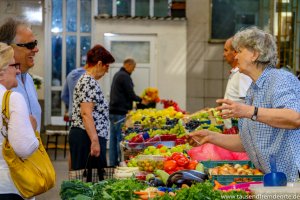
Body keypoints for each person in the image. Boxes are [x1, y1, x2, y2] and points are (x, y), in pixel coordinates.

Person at [188, 27, 300, 181]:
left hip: (294, 179)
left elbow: (295, 118)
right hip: (276, 179)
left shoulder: (279, 80)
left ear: (254, 54)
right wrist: (211, 137)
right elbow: (246, 141)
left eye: (239, 51)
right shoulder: (253, 89)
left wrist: (249, 111)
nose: (235, 55)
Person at [69, 44, 115, 181]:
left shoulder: (88, 81)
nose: (107, 72)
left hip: (87, 135)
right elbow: (86, 114)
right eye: (107, 67)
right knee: (88, 181)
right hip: (86, 137)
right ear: (99, 63)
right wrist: (95, 141)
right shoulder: (88, 81)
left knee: (89, 180)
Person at [0, 43, 39, 199]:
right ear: (1, 72)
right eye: (14, 65)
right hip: (7, 185)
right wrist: (31, 128)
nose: (18, 70)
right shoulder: (11, 99)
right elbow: (24, 148)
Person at [0, 18, 41, 132]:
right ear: (8, 48)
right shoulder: (3, 80)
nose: (36, 49)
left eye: (35, 43)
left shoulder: (28, 80)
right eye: (30, 45)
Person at [109, 58, 147, 166]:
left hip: (113, 111)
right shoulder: (124, 76)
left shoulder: (118, 74)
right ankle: (120, 163)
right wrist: (142, 100)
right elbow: (130, 94)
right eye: (133, 68)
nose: (133, 70)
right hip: (120, 112)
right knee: (119, 140)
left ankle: (112, 164)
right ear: (128, 65)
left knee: (113, 138)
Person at [223, 37, 252, 129]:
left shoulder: (242, 74)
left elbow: (248, 103)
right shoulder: (236, 72)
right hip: (232, 129)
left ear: (235, 52)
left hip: (238, 130)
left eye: (226, 50)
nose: (224, 54)